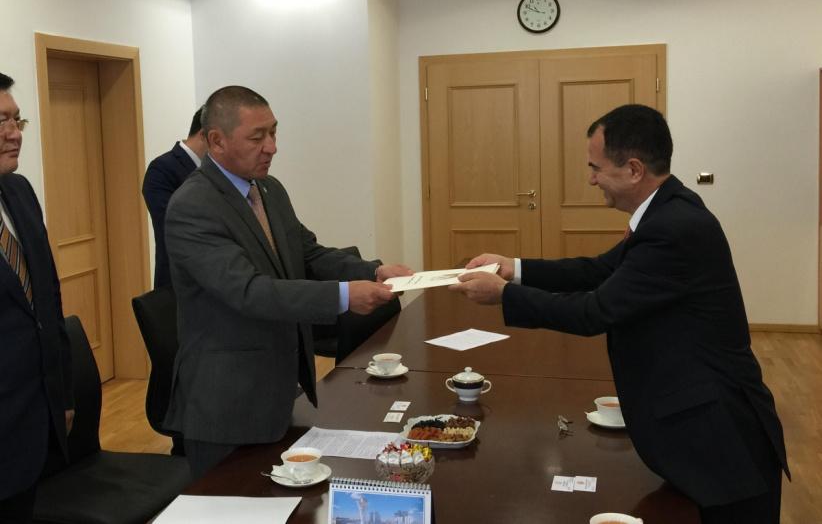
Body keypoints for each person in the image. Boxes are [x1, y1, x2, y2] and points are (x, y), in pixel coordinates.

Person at [451, 104, 789, 522]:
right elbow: (599, 270)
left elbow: (595, 311)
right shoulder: (667, 209)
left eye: (596, 168)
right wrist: (514, 268)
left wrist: (504, 295)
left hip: (721, 439)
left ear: (633, 170)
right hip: (702, 425)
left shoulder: (673, 227)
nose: (591, 179)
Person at [163, 85, 412, 479]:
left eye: (274, 132)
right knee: (234, 503)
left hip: (277, 391)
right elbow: (250, 291)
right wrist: (344, 296)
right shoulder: (193, 205)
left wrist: (371, 271)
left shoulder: (269, 190)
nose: (272, 147)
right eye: (257, 137)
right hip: (227, 403)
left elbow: (307, 253)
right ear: (217, 141)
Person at [0, 72, 73, 522]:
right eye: (0, 122)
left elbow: (48, 299)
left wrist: (61, 394)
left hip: (31, 421)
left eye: (17, 120)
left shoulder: (20, 192)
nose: (15, 134)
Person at [142, 107, 207, 289]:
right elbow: (172, 227)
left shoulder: (220, 171)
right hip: (179, 283)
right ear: (204, 135)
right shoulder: (162, 169)